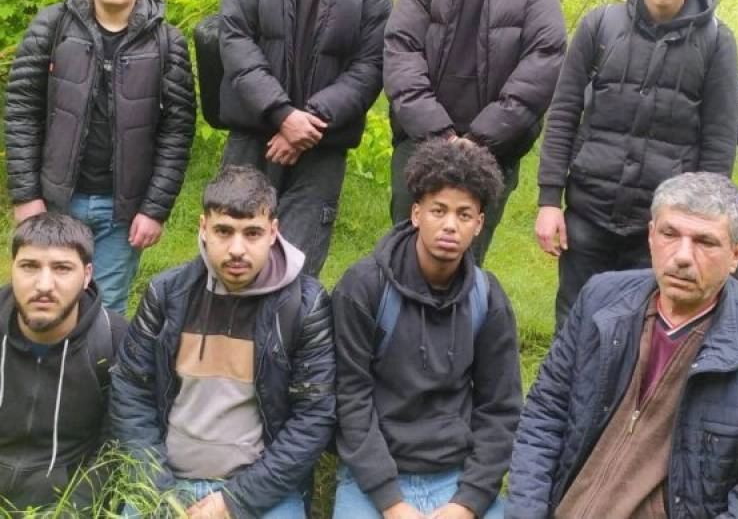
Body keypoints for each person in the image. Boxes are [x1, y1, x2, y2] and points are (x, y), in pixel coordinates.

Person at [507, 172, 738, 519]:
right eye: (670, 234)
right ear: (651, 235)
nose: (682, 256)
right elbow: (544, 416)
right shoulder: (600, 298)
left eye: (705, 242)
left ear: (737, 254)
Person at [536, 0, 738, 327]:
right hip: (588, 211)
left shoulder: (717, 42)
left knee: (642, 329)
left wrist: (701, 223)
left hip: (663, 224)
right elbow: (564, 113)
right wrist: (549, 201)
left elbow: (719, 141)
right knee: (574, 321)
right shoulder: (599, 26)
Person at [111, 165, 335, 517]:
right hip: (164, 483)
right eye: (224, 231)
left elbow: (313, 416)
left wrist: (235, 501)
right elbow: (130, 390)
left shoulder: (305, 305)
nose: (237, 249)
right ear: (203, 227)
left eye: (252, 233)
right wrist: (159, 489)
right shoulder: (166, 294)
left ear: (273, 232)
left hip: (262, 491)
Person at [5, 0, 196, 314]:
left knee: (105, 314)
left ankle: (99, 360)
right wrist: (26, 196)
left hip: (123, 212)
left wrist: (154, 209)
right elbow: (22, 110)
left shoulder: (168, 43)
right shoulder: (52, 26)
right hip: (55, 200)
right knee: (45, 304)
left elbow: (177, 133)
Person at [383, 0, 566, 264]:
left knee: (463, 260)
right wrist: (440, 135)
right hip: (420, 143)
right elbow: (400, 52)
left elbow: (541, 68)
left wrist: (478, 140)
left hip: (493, 153)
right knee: (404, 253)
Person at [218, 0, 391, 276]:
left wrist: (306, 124)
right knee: (230, 265)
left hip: (320, 148)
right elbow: (235, 36)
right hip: (253, 137)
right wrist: (281, 114)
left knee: (294, 274)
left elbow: (370, 66)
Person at [332, 139, 521, 519]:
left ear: (479, 224)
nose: (450, 225)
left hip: (456, 477)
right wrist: (391, 503)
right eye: (439, 210)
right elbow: (350, 398)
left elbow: (501, 409)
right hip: (372, 478)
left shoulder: (488, 298)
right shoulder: (364, 288)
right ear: (416, 214)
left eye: (464, 214)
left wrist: (467, 503)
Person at [0, 213, 127, 511]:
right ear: (12, 268)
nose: (44, 285)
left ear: (87, 275)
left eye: (62, 268)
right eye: (29, 266)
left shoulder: (116, 339)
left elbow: (116, 445)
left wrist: (71, 511)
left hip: (67, 497)